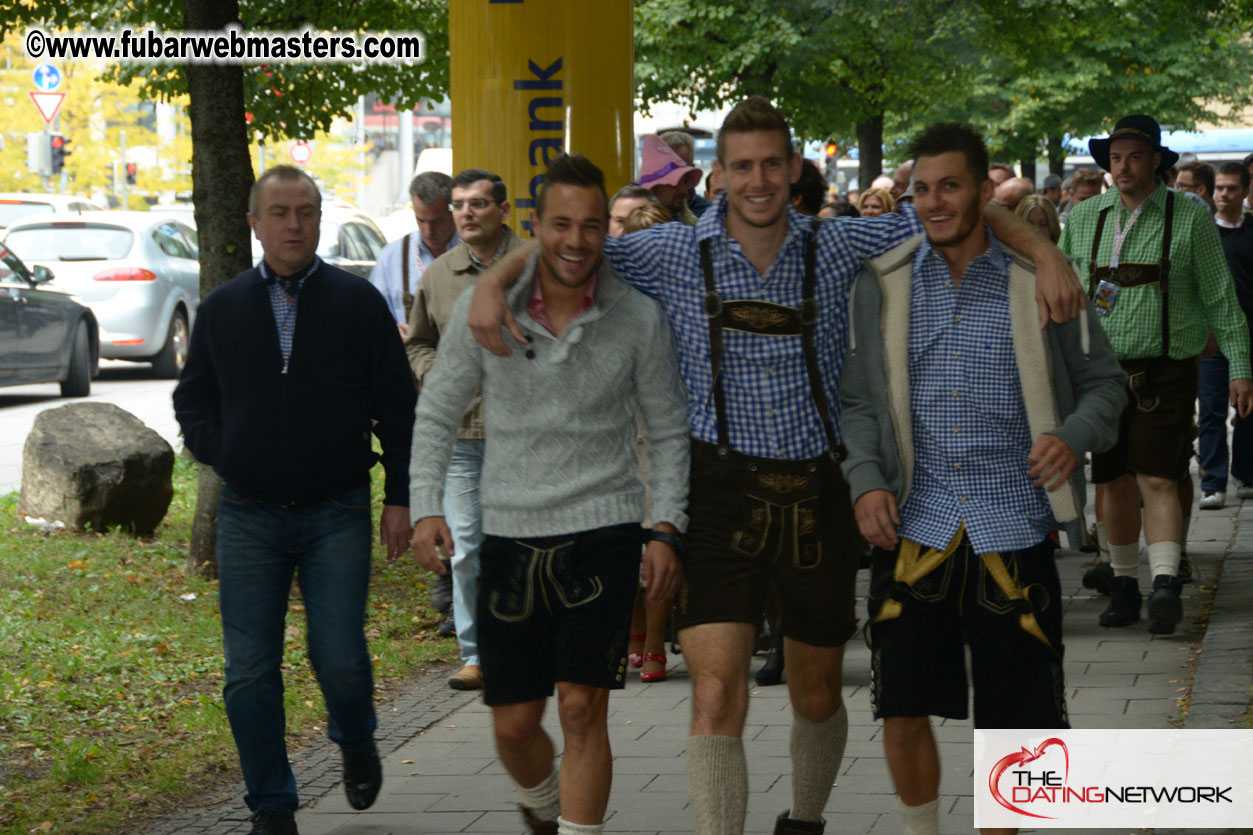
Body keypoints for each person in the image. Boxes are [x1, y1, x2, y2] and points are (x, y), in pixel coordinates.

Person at [465, 96, 1083, 835]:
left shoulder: (841, 244)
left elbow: (956, 212)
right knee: (717, 692)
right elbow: (571, 244)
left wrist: (1045, 252)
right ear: (716, 176)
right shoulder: (666, 252)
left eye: (769, 164)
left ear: (793, 169)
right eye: (740, 167)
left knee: (815, 691)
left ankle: (806, 819)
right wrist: (489, 281)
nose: (756, 181)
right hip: (717, 491)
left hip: (819, 489)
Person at [840, 121, 1126, 835]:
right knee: (900, 710)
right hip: (914, 523)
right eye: (920, 189)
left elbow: (1106, 388)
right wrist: (865, 478)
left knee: (1018, 726)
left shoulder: (1044, 282)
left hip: (1014, 524)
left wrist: (1070, 435)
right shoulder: (880, 283)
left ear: (980, 191)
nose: (933, 201)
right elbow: (855, 402)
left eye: (949, 185)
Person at [409, 153, 689, 835]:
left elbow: (668, 429)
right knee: (513, 725)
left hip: (604, 530)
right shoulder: (488, 311)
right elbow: (438, 410)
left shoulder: (638, 317)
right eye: (560, 224)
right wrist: (425, 505)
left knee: (580, 709)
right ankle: (540, 796)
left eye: (591, 226)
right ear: (535, 226)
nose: (576, 240)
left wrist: (663, 527)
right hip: (508, 533)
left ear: (606, 232)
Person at [172, 165, 415, 835]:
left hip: (335, 509)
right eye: (278, 212)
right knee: (248, 671)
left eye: (305, 211)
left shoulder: (356, 302)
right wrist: (226, 450)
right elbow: (192, 399)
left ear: (318, 219)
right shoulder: (223, 308)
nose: (293, 224)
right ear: (254, 221)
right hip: (248, 515)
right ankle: (272, 805)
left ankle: (356, 733)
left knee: (338, 654)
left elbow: (398, 408)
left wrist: (399, 497)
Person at [1058, 114, 1253, 635]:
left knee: (1158, 474)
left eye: (1134, 156)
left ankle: (1164, 582)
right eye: (1116, 157)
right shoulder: (1084, 217)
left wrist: (1242, 368)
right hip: (1100, 374)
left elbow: (1220, 297)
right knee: (1114, 478)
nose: (1123, 166)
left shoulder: (1188, 217)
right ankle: (1124, 584)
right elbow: (1063, 297)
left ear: (1156, 163)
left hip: (1166, 369)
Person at [404, 168, 526, 688]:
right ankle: (477, 655)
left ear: (503, 210)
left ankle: (528, 643)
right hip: (462, 437)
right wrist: (439, 376)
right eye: (459, 205)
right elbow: (417, 341)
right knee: (468, 550)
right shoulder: (438, 275)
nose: (466, 213)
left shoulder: (536, 264)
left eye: (478, 204)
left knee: (524, 546)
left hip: (530, 434)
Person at [1195, 161, 1253, 508]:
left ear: (1245, 191)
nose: (1224, 195)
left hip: (1249, 332)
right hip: (1211, 335)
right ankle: (1213, 481)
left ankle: (1245, 473)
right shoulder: (1203, 232)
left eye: (1232, 188)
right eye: (1219, 188)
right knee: (1212, 408)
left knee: (1247, 407)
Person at [367, 172, 459, 336]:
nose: (428, 231)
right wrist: (391, 330)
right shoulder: (392, 256)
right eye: (421, 220)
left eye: (437, 221)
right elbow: (371, 314)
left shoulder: (471, 251)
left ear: (453, 212)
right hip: (409, 358)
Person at [638, 133, 703, 225]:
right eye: (675, 181)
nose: (684, 191)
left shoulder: (706, 212)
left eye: (684, 180)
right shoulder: (628, 216)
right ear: (654, 187)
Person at [661, 129, 714, 218]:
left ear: (691, 169)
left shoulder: (708, 212)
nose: (676, 173)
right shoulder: (645, 208)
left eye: (681, 165)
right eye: (669, 167)